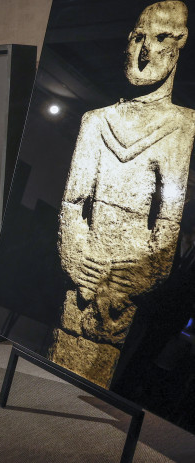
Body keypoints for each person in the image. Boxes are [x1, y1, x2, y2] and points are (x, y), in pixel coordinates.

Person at [50, 0, 195, 389]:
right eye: (137, 38)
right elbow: (73, 203)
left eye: (160, 38)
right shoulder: (96, 121)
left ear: (179, 44)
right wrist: (76, 257)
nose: (144, 51)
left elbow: (167, 224)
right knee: (63, 355)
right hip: (86, 269)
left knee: (98, 370)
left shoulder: (184, 126)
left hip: (125, 278)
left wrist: (137, 275)